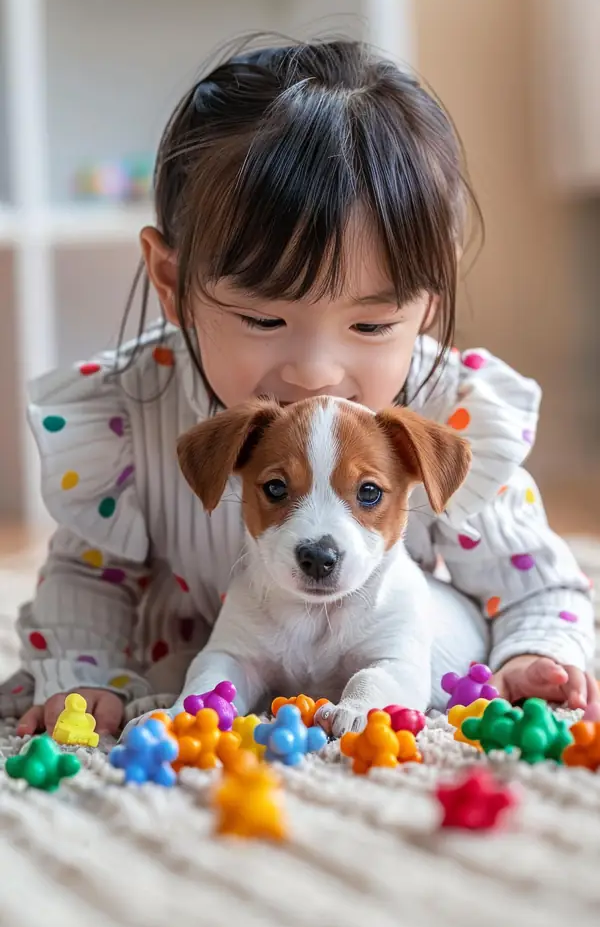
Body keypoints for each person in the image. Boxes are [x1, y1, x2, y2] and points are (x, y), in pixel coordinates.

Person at [2, 38, 596, 739]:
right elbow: (87, 583)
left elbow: (536, 579)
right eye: (264, 317)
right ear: (171, 282)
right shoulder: (132, 417)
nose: (315, 369)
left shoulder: (445, 409)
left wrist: (538, 654)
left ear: (427, 305)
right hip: (211, 658)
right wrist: (83, 675)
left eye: (372, 323)